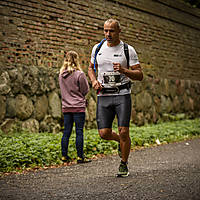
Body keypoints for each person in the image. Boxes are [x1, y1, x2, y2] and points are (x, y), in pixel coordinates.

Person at [88, 19, 143, 176]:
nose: (108, 34)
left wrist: (124, 71)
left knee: (124, 131)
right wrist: (93, 81)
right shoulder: (97, 48)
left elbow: (140, 75)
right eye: (105, 30)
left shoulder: (128, 50)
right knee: (104, 133)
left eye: (111, 31)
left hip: (122, 95)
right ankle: (120, 141)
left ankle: (123, 164)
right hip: (104, 95)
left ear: (119, 31)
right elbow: (90, 68)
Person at [59, 50, 91, 164]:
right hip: (78, 107)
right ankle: (80, 157)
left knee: (66, 131)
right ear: (77, 60)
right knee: (79, 131)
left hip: (66, 107)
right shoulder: (80, 74)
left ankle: (64, 156)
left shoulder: (61, 75)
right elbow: (85, 90)